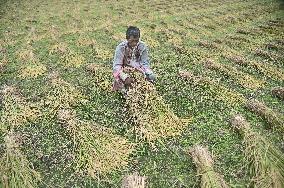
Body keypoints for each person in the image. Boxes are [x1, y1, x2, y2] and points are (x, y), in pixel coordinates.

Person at [112, 26, 156, 95]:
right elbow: (117, 65)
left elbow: (144, 63)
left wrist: (146, 73)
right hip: (125, 70)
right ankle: (125, 91)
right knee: (125, 89)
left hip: (138, 70)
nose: (134, 44)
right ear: (127, 38)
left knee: (152, 77)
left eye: (136, 41)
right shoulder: (121, 48)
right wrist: (125, 77)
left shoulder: (142, 46)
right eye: (132, 41)